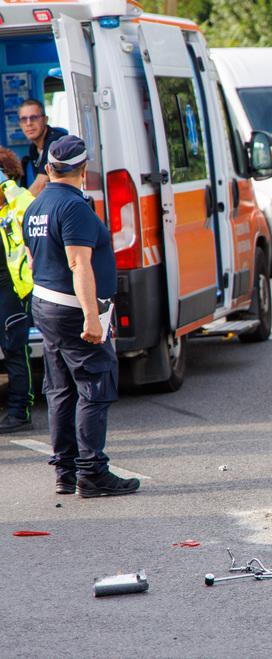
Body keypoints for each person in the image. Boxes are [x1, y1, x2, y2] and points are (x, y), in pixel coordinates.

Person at [25, 135, 139, 497]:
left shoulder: (36, 205)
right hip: (74, 310)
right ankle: (92, 472)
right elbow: (79, 263)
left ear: (48, 169)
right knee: (94, 385)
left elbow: (32, 260)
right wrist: (92, 315)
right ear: (84, 170)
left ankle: (65, 471)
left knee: (60, 389)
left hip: (46, 305)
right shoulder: (73, 208)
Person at [0, 148, 35, 432]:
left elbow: (28, 207)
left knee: (14, 350)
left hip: (12, 291)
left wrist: (7, 187)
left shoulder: (17, 203)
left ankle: (19, 411)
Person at [18, 99, 68, 197]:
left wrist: (15, 208)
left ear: (45, 119)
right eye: (24, 119)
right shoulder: (33, 148)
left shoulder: (56, 142)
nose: (28, 123)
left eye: (34, 118)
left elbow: (41, 185)